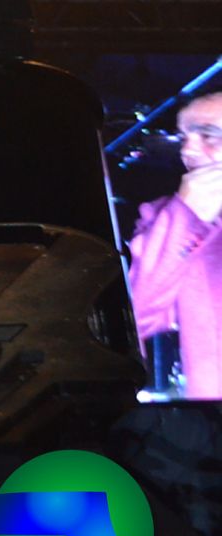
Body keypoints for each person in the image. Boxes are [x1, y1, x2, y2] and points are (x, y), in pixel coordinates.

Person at [128, 90, 222, 399]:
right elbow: (132, 320)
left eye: (208, 135)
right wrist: (184, 218)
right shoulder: (163, 218)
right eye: (183, 138)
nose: (188, 151)